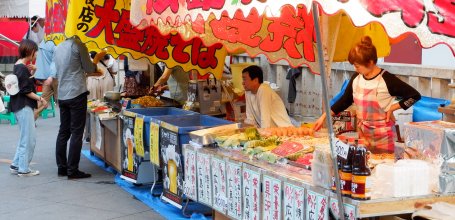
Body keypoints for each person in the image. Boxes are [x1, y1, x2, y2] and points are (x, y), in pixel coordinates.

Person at [313, 36, 421, 153]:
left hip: (384, 137)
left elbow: (415, 96)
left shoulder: (387, 79)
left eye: (357, 65)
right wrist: (324, 116)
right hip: (363, 135)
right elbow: (345, 100)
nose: (355, 69)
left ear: (370, 62)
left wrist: (393, 108)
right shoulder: (356, 78)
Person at [53, 36, 102, 179]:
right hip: (76, 93)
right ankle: (72, 170)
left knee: (63, 131)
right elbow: (89, 68)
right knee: (76, 132)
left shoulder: (58, 47)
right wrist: (96, 59)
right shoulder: (79, 45)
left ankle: (62, 167)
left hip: (62, 94)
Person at [9, 39, 47, 176]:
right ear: (30, 51)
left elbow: (26, 84)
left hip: (19, 105)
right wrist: (41, 99)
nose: (36, 54)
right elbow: (26, 90)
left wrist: (34, 72)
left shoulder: (18, 66)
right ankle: (24, 169)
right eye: (35, 51)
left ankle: (16, 164)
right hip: (24, 106)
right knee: (29, 138)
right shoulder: (22, 68)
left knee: (24, 137)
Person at [33, 40, 57, 119]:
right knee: (64, 100)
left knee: (43, 100)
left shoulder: (42, 42)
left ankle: (30, 119)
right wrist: (51, 76)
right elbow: (55, 61)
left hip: (46, 77)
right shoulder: (55, 44)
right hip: (56, 76)